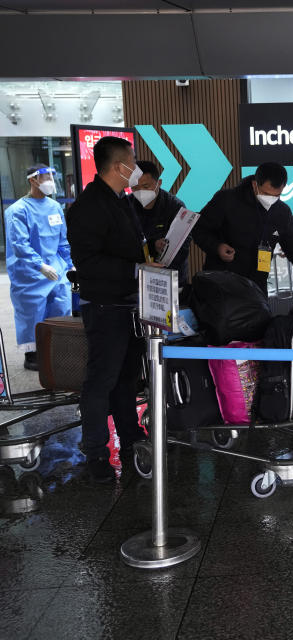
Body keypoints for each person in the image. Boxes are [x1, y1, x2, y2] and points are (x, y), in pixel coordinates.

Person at [67, 136, 155, 483]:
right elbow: (87, 262)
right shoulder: (88, 207)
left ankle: (131, 440)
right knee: (100, 382)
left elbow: (131, 244)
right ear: (119, 167)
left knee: (126, 380)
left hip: (129, 304)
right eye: (132, 161)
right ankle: (96, 454)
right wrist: (135, 270)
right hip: (104, 307)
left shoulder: (122, 201)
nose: (135, 168)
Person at [192, 162, 293, 295]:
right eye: (266, 194)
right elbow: (198, 229)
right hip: (221, 285)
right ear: (255, 185)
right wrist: (217, 247)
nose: (271, 199)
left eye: (277, 195)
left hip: (256, 288)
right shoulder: (226, 200)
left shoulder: (281, 212)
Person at [4, 164, 73, 370]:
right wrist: (40, 265)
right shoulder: (18, 211)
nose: (51, 181)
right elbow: (20, 245)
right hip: (30, 274)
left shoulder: (54, 207)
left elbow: (62, 241)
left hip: (56, 270)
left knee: (60, 308)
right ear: (33, 180)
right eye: (46, 177)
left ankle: (55, 350)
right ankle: (32, 355)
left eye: (52, 176)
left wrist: (70, 264)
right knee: (32, 313)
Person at [128, 160, 192, 284]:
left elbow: (183, 245)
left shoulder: (175, 206)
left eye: (146, 186)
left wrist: (163, 250)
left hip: (171, 278)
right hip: (137, 278)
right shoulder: (126, 206)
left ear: (159, 183)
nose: (140, 191)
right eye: (135, 188)